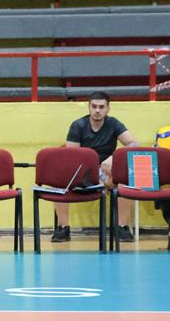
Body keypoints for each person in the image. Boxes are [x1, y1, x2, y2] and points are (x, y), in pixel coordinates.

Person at [54, 91, 139, 242]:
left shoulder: (114, 124)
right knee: (59, 184)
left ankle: (122, 227)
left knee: (125, 183)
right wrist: (94, 179)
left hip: (107, 170)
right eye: (94, 106)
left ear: (108, 109)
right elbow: (72, 157)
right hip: (83, 171)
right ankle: (63, 228)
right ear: (89, 107)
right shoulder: (78, 125)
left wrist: (114, 157)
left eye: (101, 107)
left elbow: (133, 144)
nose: (97, 110)